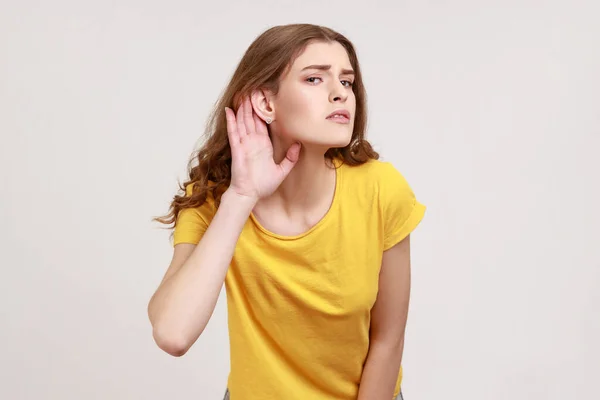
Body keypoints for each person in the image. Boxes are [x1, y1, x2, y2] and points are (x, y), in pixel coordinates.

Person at [148, 23, 426, 400]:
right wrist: (242, 195)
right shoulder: (214, 199)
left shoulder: (381, 190)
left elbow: (387, 340)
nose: (339, 94)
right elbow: (172, 333)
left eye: (346, 82)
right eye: (314, 79)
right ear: (266, 103)